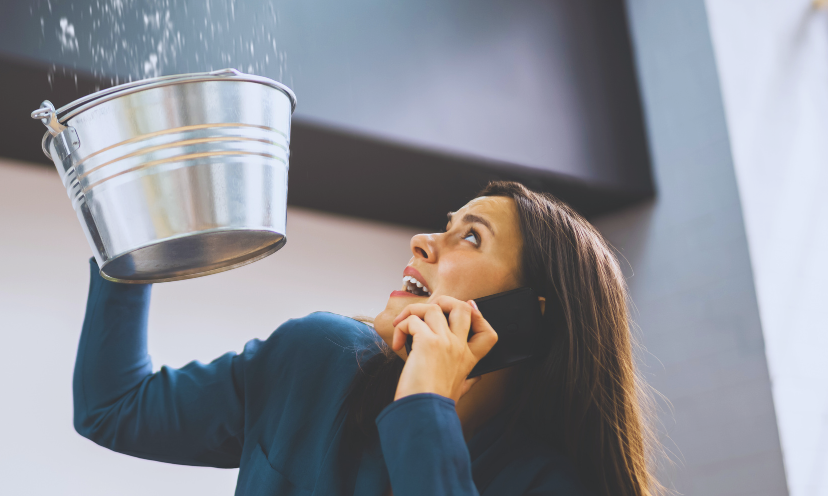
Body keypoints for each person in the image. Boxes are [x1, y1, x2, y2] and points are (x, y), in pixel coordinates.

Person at [73, 181, 660, 496]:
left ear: (530, 317)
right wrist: (125, 237)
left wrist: (425, 404)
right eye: (445, 225)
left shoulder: (547, 486)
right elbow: (113, 408)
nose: (423, 241)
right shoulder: (315, 358)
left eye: (471, 238)